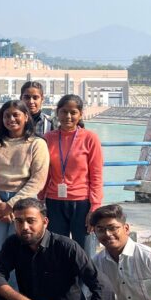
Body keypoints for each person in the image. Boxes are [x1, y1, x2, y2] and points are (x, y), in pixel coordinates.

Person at [0, 100, 49, 252]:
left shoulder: (37, 144)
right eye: (7, 116)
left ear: (26, 116)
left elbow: (38, 179)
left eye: (16, 115)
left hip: (25, 200)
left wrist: (11, 205)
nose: (11, 119)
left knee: (22, 246)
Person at [42, 94, 104, 252]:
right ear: (57, 113)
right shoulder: (48, 138)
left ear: (81, 114)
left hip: (81, 203)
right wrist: (39, 201)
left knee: (84, 251)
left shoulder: (90, 138)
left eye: (73, 112)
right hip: (54, 201)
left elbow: (96, 176)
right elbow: (44, 173)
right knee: (56, 249)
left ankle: (85, 278)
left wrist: (95, 206)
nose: (68, 116)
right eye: (63, 112)